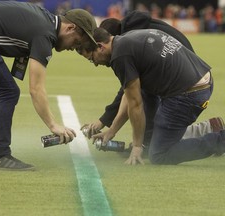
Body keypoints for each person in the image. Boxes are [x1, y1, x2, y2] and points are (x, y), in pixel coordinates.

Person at [0, 1, 97, 170]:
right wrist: (53, 125)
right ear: (70, 28)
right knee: (7, 92)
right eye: (77, 42)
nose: (74, 48)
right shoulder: (45, 34)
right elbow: (36, 88)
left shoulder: (44, 20)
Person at [78, 11, 224, 150]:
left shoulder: (122, 50)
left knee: (159, 150)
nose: (96, 64)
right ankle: (206, 129)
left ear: (104, 43)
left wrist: (134, 145)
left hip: (186, 85)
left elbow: (132, 98)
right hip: (194, 74)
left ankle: (216, 138)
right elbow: (128, 93)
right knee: (154, 132)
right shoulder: (134, 35)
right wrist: (110, 127)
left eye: (92, 59)